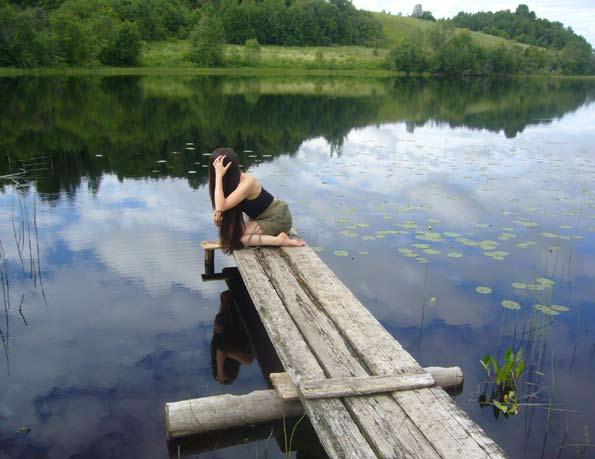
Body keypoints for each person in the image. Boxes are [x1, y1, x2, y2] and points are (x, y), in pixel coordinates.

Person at [208, 147, 305, 254]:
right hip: (261, 218)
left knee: (234, 240)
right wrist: (218, 221)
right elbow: (223, 212)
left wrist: (218, 176)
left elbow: (220, 206)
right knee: (230, 236)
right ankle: (276, 238)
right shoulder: (227, 185)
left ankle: (279, 240)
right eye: (215, 169)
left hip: (278, 218)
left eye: (218, 169)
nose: (217, 171)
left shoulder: (247, 182)